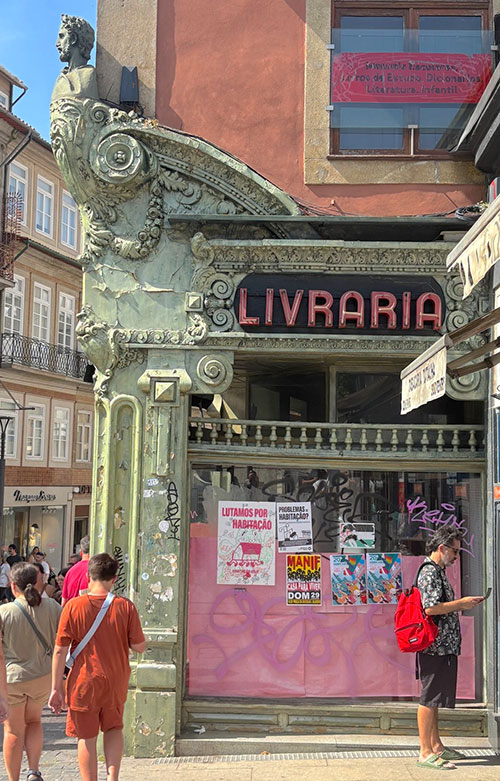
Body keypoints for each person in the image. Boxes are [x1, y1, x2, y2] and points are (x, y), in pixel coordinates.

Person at [49, 553, 145, 781]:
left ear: (88, 576)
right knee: (113, 729)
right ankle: (113, 777)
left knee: (86, 737)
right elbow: (139, 647)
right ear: (114, 578)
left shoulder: (73, 607)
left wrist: (56, 688)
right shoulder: (125, 607)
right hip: (115, 680)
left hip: (83, 682)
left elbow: (60, 650)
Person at [416, 525, 485, 770]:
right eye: (455, 552)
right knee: (428, 697)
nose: (457, 557)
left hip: (444, 646)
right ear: (442, 548)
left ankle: (436, 746)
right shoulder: (429, 572)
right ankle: (425, 752)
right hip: (434, 646)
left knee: (435, 698)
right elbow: (431, 608)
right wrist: (461, 604)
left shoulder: (438, 571)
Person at [1, 562, 61, 781]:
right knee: (35, 721)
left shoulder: (4, 612)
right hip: (42, 676)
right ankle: (34, 770)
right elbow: (61, 644)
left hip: (13, 678)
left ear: (13, 585)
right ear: (38, 582)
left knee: (13, 730)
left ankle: (13, 778)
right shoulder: (53, 608)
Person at [51, 14, 98, 103]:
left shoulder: (87, 75)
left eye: (61, 37)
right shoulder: (61, 78)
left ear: (73, 38)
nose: (57, 43)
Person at [62, 536, 90, 606]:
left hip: (73, 613)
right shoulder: (97, 570)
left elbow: (63, 603)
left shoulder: (70, 572)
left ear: (80, 552)